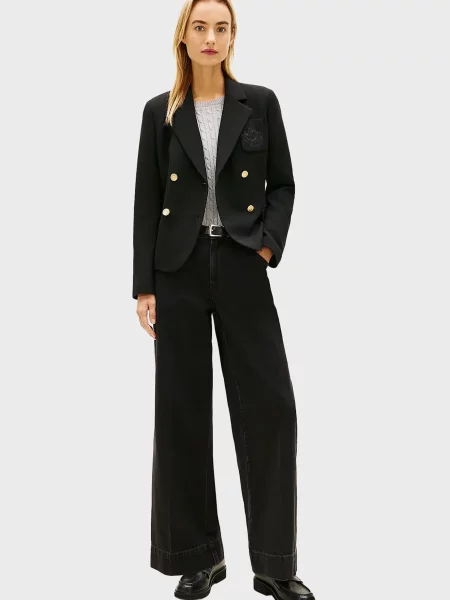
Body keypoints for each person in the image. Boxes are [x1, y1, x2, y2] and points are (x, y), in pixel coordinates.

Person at [132, 1, 315, 599]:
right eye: (200, 26)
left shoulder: (259, 103)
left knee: (271, 408)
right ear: (183, 36)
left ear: (233, 37)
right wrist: (144, 286)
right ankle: (198, 557)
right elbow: (146, 199)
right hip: (177, 270)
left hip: (241, 262)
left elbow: (283, 183)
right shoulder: (160, 112)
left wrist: (266, 245)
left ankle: (274, 564)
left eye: (222, 27)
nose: (211, 36)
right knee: (181, 411)